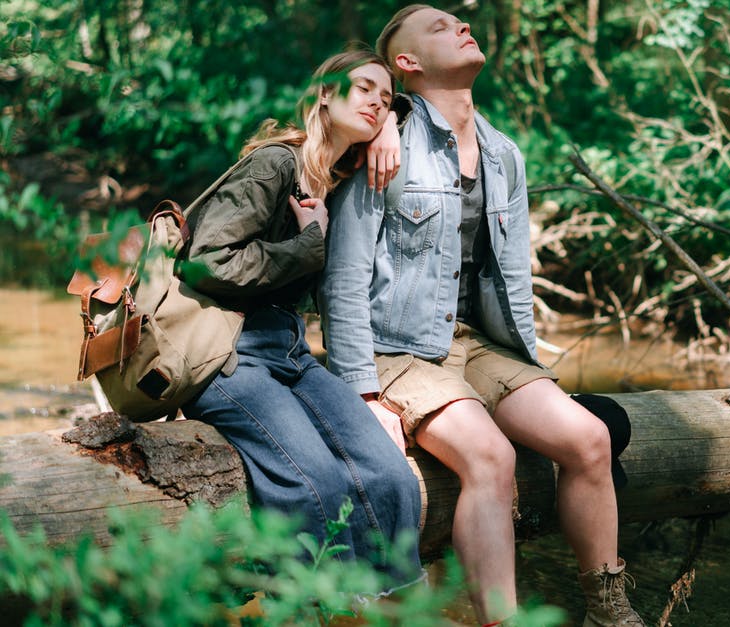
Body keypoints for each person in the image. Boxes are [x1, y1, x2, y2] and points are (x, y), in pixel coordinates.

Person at [320, 5, 644, 626]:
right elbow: (344, 278)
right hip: (399, 349)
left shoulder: (504, 154)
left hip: (478, 345)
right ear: (405, 64)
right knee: (490, 456)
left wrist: (530, 371)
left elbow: (512, 277)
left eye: (460, 22)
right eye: (439, 27)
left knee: (590, 437)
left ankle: (608, 607)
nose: (461, 26)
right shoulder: (380, 141)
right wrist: (361, 390)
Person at [178, 50, 423, 587]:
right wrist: (309, 243)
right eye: (365, 90)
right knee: (320, 487)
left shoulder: (337, 173)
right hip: (226, 351)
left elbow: (419, 115)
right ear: (326, 94)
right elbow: (205, 262)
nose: (378, 105)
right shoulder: (274, 164)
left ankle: (400, 606)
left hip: (290, 351)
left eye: (387, 101)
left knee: (391, 477)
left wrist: (392, 129)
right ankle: (332, 612)